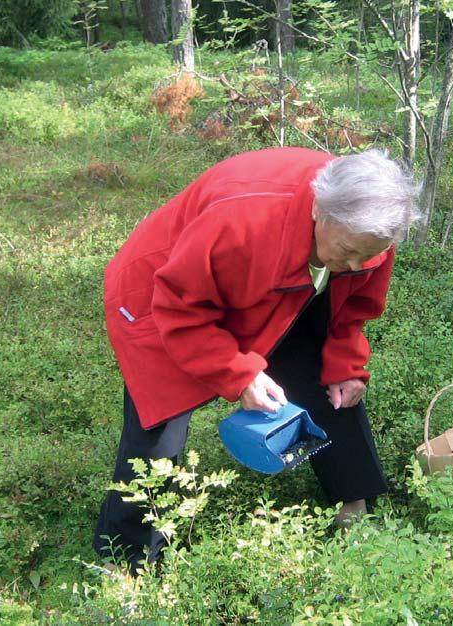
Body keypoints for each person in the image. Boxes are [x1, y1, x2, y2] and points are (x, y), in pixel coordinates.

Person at [94, 146, 420, 574]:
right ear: (319, 210)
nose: (356, 264)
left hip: (278, 286)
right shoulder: (243, 221)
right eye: (346, 252)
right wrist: (239, 373)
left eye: (367, 255)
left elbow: (352, 305)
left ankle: (352, 509)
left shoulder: (368, 228)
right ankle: (126, 560)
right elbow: (180, 310)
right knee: (157, 434)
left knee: (332, 382)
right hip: (163, 295)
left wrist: (345, 362)